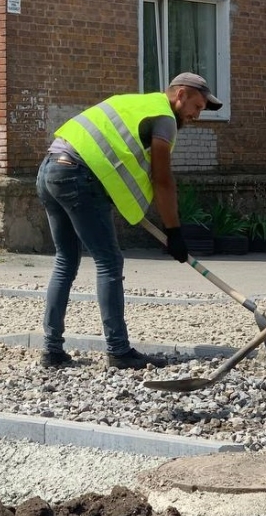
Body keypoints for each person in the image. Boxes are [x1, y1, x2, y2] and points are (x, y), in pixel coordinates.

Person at [36, 73, 222, 370]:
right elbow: (162, 179)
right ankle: (119, 350)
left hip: (50, 169)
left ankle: (51, 350)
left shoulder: (136, 103)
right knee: (109, 262)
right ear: (181, 94)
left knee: (66, 260)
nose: (196, 115)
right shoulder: (164, 119)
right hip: (76, 176)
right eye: (196, 106)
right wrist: (174, 232)